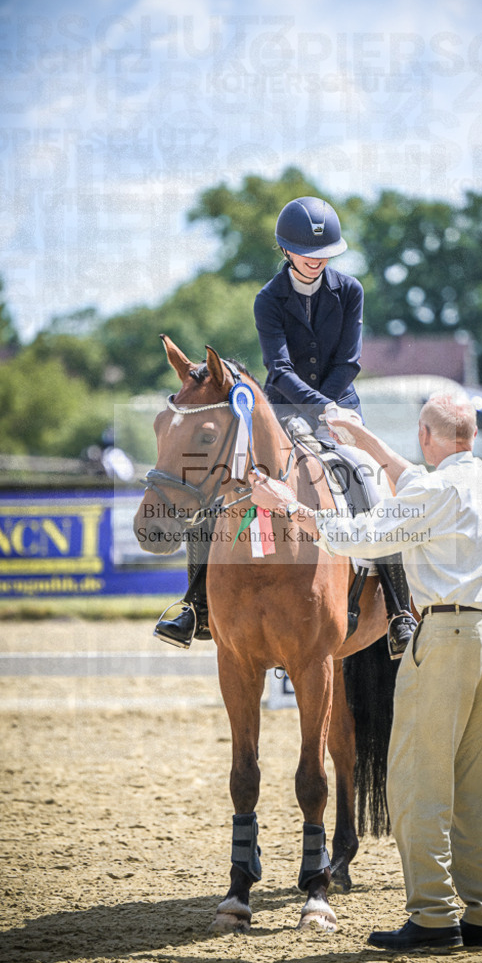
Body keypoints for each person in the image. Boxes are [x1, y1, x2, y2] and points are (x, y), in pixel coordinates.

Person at [249, 394, 482, 954]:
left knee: (417, 783)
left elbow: (359, 537)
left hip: (448, 640)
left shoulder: (427, 491)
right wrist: (364, 441)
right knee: (480, 787)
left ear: (425, 432)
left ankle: (433, 917)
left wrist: (287, 505)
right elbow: (415, 478)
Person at [155, 196, 415, 652]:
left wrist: (332, 410)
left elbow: (348, 362)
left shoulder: (349, 290)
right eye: (307, 253)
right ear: (286, 250)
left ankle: (397, 611)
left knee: (367, 481)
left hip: (341, 407)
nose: (316, 260)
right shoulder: (269, 300)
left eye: (324, 253)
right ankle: (194, 606)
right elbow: (278, 370)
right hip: (283, 411)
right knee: (223, 489)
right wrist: (315, 407)